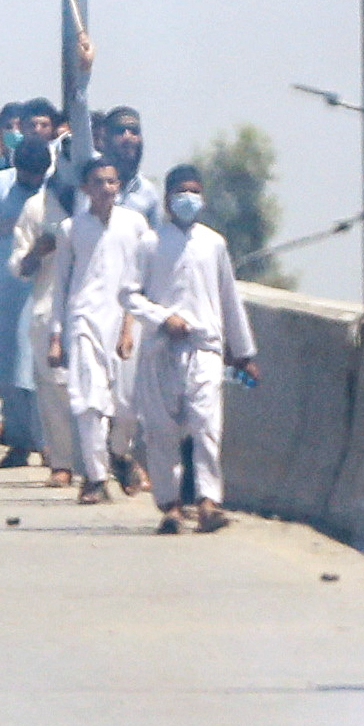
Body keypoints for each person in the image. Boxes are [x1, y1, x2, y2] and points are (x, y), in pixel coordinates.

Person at [128, 165, 258, 534]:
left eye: (195, 191)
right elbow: (129, 294)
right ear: (168, 199)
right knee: (161, 430)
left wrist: (244, 353)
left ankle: (208, 503)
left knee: (206, 426)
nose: (189, 198)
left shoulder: (213, 243)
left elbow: (229, 298)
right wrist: (162, 318)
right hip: (160, 350)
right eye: (182, 191)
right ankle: (169, 505)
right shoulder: (150, 243)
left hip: (205, 350)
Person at [46, 157, 153, 506]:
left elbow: (143, 281)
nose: (105, 189)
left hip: (127, 322)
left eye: (111, 181)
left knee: (127, 406)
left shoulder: (135, 225)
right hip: (84, 321)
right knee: (89, 402)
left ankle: (120, 454)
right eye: (98, 182)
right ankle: (94, 478)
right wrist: (56, 335)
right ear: (85, 188)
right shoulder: (71, 229)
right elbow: (60, 285)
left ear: (119, 185)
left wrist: (129, 328)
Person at [0, 128, 46, 468]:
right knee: (9, 369)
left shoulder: (55, 189)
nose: (32, 181)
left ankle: (47, 444)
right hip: (5, 287)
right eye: (26, 176)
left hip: (45, 287)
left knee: (40, 367)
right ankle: (18, 442)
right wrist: (11, 225)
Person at [11, 139, 79, 488]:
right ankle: (63, 462)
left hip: (98, 311)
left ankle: (111, 457)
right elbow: (19, 266)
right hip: (48, 308)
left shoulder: (102, 207)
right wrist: (38, 252)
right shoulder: (37, 208)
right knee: (54, 390)